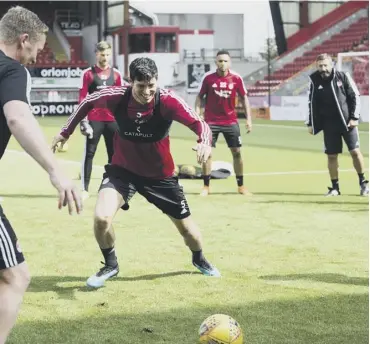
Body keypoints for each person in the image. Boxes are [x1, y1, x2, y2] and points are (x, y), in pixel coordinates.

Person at [52, 57, 221, 289]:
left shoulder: (168, 101)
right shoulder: (116, 96)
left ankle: (199, 259)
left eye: (151, 85)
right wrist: (65, 132)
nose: (147, 91)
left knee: (189, 232)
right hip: (123, 171)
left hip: (160, 177)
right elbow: (87, 102)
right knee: (101, 218)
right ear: (131, 82)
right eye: (141, 86)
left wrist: (204, 142)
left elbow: (200, 124)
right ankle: (110, 265)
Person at [0, 6, 82, 344]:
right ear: (23, 40)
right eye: (35, 48)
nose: (35, 56)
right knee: (15, 277)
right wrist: (56, 171)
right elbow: (18, 118)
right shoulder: (12, 69)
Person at [307, 53, 369, 196]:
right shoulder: (314, 81)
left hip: (347, 122)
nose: (323, 68)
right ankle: (335, 187)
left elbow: (355, 96)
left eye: (325, 65)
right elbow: (310, 102)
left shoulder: (343, 76)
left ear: (331, 65)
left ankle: (363, 183)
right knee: (331, 156)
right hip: (329, 124)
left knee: (355, 152)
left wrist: (354, 117)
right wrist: (310, 122)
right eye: (320, 66)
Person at [195, 50, 253, 196]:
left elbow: (244, 98)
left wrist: (249, 119)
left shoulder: (236, 78)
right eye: (220, 61)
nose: (223, 63)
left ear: (230, 62)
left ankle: (241, 186)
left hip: (230, 121)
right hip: (210, 122)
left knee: (237, 152)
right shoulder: (208, 78)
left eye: (225, 61)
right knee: (207, 154)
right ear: (216, 62)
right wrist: (197, 116)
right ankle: (206, 186)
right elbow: (199, 97)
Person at [78, 41, 126, 200]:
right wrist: (83, 121)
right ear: (96, 54)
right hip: (94, 120)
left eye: (107, 54)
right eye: (102, 54)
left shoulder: (117, 74)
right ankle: (84, 189)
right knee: (89, 154)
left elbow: (121, 98)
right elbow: (82, 98)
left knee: (114, 155)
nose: (105, 57)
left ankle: (114, 187)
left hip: (112, 121)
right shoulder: (88, 74)